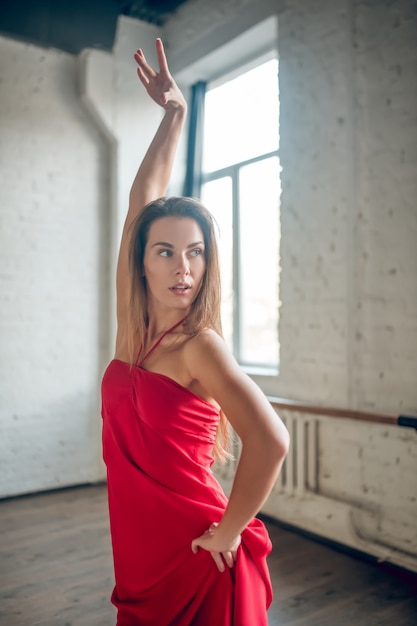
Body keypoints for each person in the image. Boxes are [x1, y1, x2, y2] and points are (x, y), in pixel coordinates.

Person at [101, 38, 290, 626]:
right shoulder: (132, 328)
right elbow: (141, 202)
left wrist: (228, 531)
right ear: (142, 259)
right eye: (165, 252)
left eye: (195, 253)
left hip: (193, 546)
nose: (182, 268)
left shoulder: (200, 347)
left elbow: (272, 441)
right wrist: (175, 115)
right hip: (137, 542)